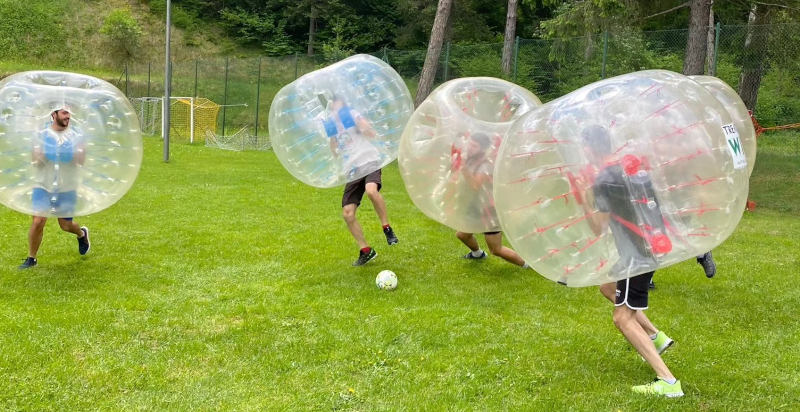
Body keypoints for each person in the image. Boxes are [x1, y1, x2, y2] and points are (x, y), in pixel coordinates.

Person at [580, 125, 683, 397]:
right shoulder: (631, 168)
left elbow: (598, 227)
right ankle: (655, 336)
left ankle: (668, 382)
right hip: (650, 245)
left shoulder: (604, 178)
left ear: (590, 149)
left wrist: (582, 200)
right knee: (606, 286)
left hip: (637, 255)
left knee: (622, 318)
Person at [323, 96, 398, 266]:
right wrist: (332, 135)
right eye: (334, 108)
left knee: (371, 191)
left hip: (369, 160)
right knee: (347, 213)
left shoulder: (352, 115)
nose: (336, 110)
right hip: (352, 169)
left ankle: (387, 228)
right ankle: (366, 250)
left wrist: (360, 125)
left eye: (338, 106)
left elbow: (371, 133)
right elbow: (334, 152)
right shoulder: (333, 125)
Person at [19, 106, 91, 269]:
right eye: (64, 113)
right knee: (38, 221)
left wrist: (70, 152)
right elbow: (35, 161)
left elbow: (80, 161)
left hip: (66, 186)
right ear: (54, 114)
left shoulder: (76, 136)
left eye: (69, 113)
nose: (68, 116)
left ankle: (81, 234)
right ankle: (32, 258)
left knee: (65, 225)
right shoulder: (41, 135)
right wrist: (48, 152)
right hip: (42, 184)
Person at [451, 133, 527, 268]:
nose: (470, 147)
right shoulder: (471, 159)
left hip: (489, 210)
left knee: (496, 249)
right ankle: (477, 254)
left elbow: (475, 186)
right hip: (476, 206)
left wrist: (463, 169)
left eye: (474, 146)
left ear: (482, 149)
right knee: (462, 234)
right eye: (470, 143)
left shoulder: (486, 165)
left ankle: (527, 265)